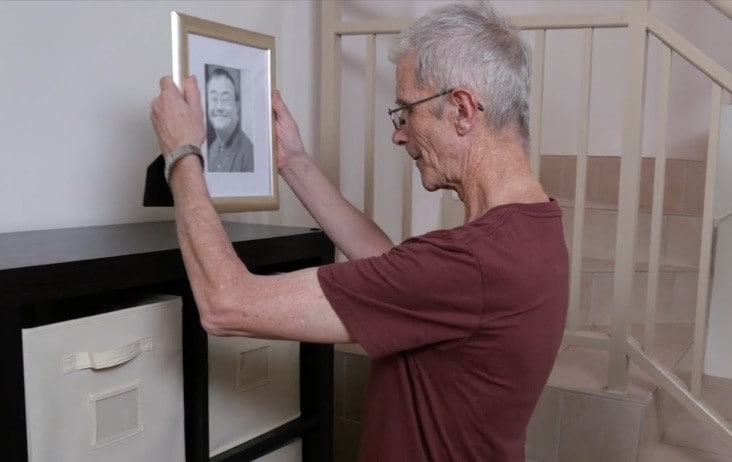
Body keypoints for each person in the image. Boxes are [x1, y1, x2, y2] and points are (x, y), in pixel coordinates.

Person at [149, 2, 568, 460]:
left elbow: (225, 303)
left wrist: (182, 154)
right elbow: (398, 276)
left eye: (406, 111)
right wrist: (294, 162)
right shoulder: (534, 227)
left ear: (462, 110)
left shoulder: (472, 261)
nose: (399, 134)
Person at [206, 65, 254, 172]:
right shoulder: (211, 150)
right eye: (213, 98)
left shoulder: (248, 154)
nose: (219, 107)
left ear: (237, 105)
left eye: (225, 98)